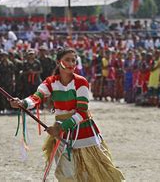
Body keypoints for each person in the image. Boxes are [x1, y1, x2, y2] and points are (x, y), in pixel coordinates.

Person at [10, 48, 124, 181]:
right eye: (67, 60)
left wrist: (60, 128)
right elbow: (36, 97)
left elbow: (82, 112)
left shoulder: (81, 82)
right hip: (61, 132)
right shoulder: (51, 82)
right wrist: (22, 103)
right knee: (65, 172)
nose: (71, 63)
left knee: (93, 170)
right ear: (59, 62)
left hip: (83, 131)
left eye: (74, 60)